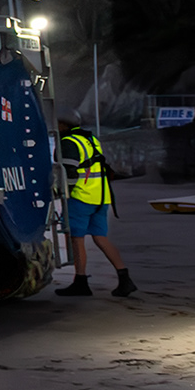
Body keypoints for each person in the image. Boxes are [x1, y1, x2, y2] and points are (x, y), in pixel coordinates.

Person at [56, 117, 136, 297]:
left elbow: (69, 172)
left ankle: (81, 282)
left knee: (77, 240)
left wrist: (61, 194)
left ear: (63, 125)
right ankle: (124, 278)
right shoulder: (90, 139)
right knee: (101, 238)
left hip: (81, 197)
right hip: (101, 197)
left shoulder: (68, 142)